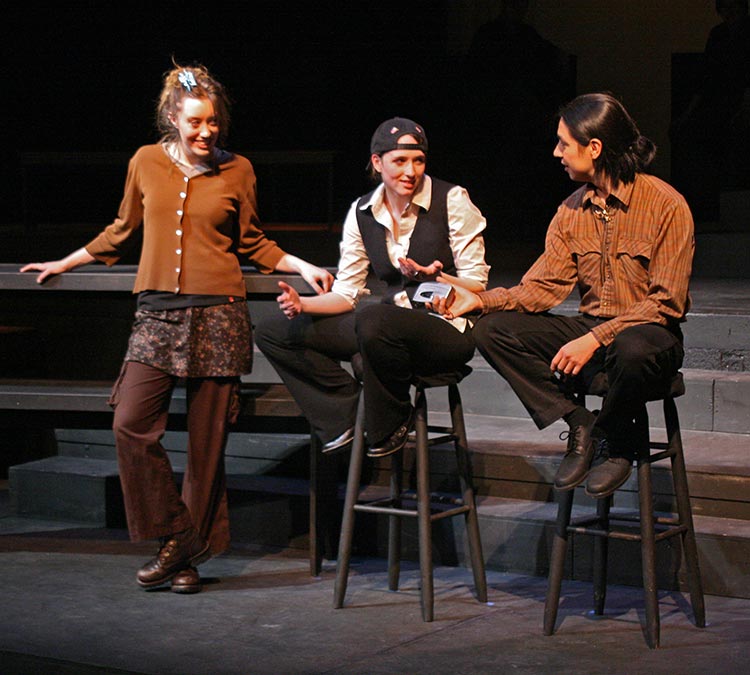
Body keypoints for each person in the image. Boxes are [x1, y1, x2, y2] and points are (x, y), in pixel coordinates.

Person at [21, 61, 333, 594]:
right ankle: (183, 537)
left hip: (219, 315)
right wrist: (65, 262)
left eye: (212, 122)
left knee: (207, 447)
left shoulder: (238, 170)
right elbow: (121, 230)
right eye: (195, 122)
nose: (206, 132)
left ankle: (182, 561)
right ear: (173, 118)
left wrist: (301, 265)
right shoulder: (145, 161)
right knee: (130, 423)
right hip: (157, 313)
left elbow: (253, 241)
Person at [430, 93, 694, 499]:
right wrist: (479, 302)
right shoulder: (570, 211)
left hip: (650, 336)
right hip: (593, 327)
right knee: (492, 330)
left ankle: (616, 441)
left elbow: (665, 302)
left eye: (563, 143)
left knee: (631, 349)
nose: (557, 153)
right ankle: (579, 422)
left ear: (594, 147)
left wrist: (594, 339)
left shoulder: (666, 205)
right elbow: (542, 288)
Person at [254, 117, 489, 459]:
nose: (410, 171)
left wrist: (437, 278)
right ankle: (345, 415)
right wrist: (303, 305)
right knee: (274, 331)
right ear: (377, 162)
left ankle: (390, 419)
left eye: (418, 161)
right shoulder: (362, 211)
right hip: (385, 331)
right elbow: (346, 294)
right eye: (400, 161)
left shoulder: (451, 199)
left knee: (375, 319)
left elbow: (477, 283)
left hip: (446, 328)